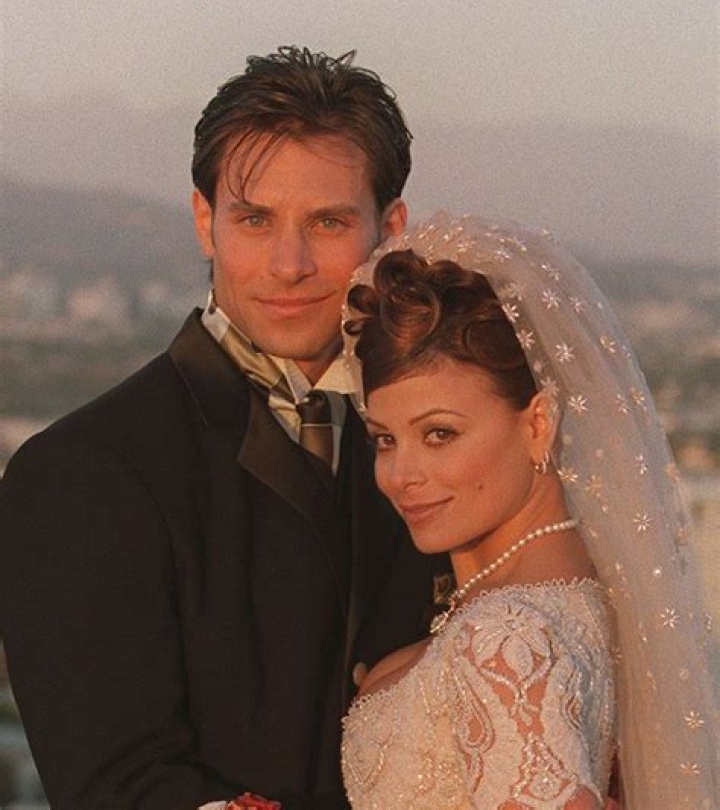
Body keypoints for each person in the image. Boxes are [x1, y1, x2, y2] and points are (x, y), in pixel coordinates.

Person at [0, 48, 443, 810]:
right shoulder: (77, 471)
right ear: (206, 222)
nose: (289, 263)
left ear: (389, 227)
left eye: (328, 221)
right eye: (255, 219)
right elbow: (117, 783)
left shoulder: (445, 446)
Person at [340, 213, 718, 809]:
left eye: (439, 434)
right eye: (385, 439)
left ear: (539, 423)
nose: (399, 474)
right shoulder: (586, 599)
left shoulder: (504, 638)